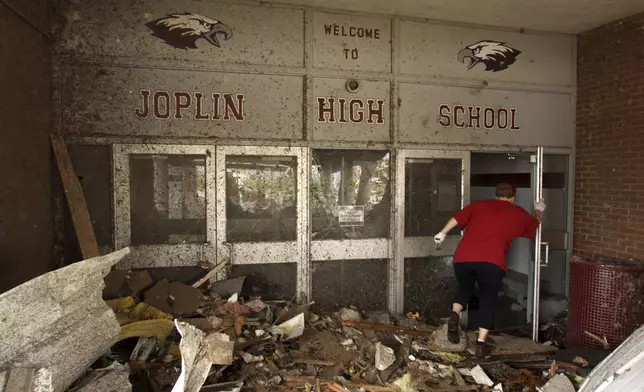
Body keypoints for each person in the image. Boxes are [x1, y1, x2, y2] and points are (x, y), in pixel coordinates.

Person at [433, 183, 546, 358]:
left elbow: (456, 218)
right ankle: (481, 344)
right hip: (492, 262)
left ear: (495, 196)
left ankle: (454, 314)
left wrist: (442, 233)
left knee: (464, 288)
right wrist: (539, 210)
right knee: (488, 299)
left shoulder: (479, 205)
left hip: (463, 258)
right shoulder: (518, 213)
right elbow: (535, 225)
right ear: (513, 197)